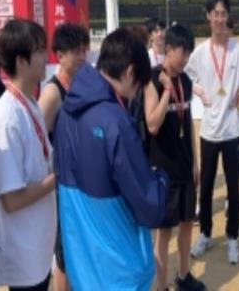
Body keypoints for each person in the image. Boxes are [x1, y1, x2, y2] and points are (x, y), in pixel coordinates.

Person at [53, 28, 168, 290]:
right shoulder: (116, 122)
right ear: (129, 72)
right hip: (118, 265)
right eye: (139, 84)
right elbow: (149, 206)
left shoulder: (66, 111)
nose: (136, 93)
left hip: (82, 262)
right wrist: (160, 178)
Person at [186, 0, 239, 264]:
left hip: (232, 131)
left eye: (223, 14)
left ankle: (232, 237)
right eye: (215, 14)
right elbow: (185, 76)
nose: (219, 19)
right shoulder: (200, 52)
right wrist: (198, 91)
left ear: (227, 16)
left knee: (233, 187)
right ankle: (206, 233)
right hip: (209, 131)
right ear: (208, 16)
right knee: (206, 187)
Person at [0, 19, 56, 291]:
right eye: (39, 51)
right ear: (21, 61)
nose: (46, 57)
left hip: (37, 247)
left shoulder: (28, 102)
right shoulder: (7, 117)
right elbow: (12, 200)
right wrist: (57, 177)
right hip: (23, 253)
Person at [144, 24, 205, 291]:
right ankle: (161, 286)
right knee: (164, 232)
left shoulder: (187, 81)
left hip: (184, 166)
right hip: (163, 170)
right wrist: (167, 90)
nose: (186, 58)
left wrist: (195, 162)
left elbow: (188, 121)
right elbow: (152, 124)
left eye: (189, 53)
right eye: (183, 52)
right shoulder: (152, 79)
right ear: (168, 50)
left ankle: (183, 275)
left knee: (187, 224)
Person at [37, 22, 89, 291]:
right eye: (75, 51)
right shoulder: (52, 93)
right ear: (59, 55)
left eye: (83, 50)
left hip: (77, 183)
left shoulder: (79, 86)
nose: (82, 56)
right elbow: (36, 143)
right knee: (64, 252)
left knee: (74, 247)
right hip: (61, 186)